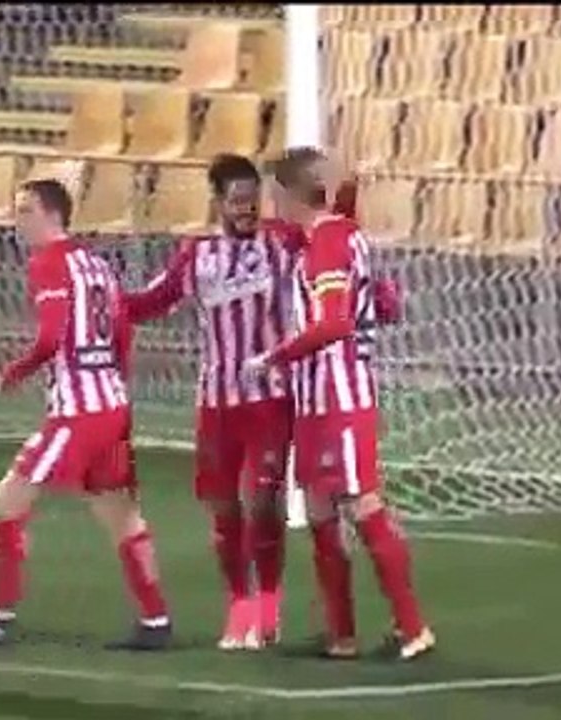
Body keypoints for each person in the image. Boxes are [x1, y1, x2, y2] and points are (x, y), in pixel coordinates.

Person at [0, 178, 173, 651]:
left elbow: (52, 337)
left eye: (25, 210)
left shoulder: (49, 264)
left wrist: (14, 373)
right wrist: (115, 383)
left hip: (78, 413)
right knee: (120, 513)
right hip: (111, 404)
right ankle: (156, 618)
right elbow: (122, 330)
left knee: (8, 500)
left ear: (51, 214)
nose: (18, 220)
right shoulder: (96, 263)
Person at [247, 147, 435, 661]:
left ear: (287, 194)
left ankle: (413, 627)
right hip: (314, 401)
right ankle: (342, 634)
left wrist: (273, 357)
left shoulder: (328, 244)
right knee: (319, 509)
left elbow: (334, 322)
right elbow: (380, 302)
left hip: (339, 398)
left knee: (362, 504)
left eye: (274, 194)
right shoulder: (334, 236)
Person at [122, 154, 295, 650]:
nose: (247, 210)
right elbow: (151, 301)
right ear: (218, 202)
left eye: (252, 201)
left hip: (270, 397)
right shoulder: (197, 255)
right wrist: (99, 298)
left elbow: (329, 244)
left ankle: (269, 606)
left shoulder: (281, 244)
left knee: (263, 499)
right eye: (237, 201)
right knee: (223, 511)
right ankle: (239, 605)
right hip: (217, 400)